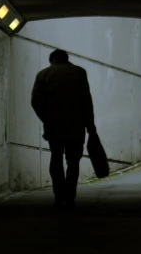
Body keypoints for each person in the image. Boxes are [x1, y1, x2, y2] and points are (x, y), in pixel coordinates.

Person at [31, 49, 95, 209]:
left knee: (56, 159)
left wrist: (46, 119)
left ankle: (59, 197)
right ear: (67, 59)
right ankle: (70, 197)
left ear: (52, 60)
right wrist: (90, 126)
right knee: (73, 162)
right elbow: (86, 100)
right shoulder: (79, 73)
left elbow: (35, 102)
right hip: (76, 126)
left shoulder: (43, 75)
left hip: (54, 127)